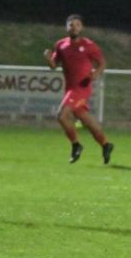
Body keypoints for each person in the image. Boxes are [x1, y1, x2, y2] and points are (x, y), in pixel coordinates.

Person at [44, 14, 113, 164]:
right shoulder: (60, 45)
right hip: (70, 88)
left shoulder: (89, 45)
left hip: (82, 87)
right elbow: (54, 66)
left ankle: (76, 145)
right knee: (87, 121)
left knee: (62, 115)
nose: (73, 27)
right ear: (66, 27)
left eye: (76, 25)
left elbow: (102, 63)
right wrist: (49, 59)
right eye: (70, 25)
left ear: (81, 27)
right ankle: (106, 144)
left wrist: (95, 74)